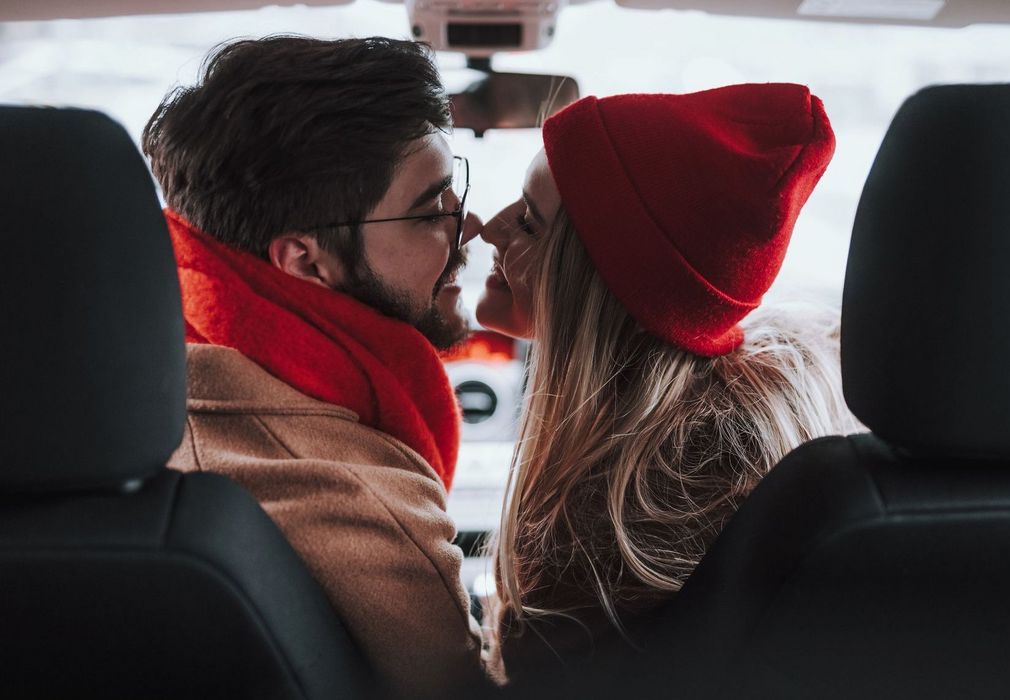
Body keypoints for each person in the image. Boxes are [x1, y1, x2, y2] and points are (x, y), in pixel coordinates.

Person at [474, 83, 862, 681]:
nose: (489, 231)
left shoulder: (625, 517)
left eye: (528, 222)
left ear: (597, 276)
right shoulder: (716, 436)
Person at [142, 36, 486, 698]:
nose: (464, 225)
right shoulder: (361, 502)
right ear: (306, 261)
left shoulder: (156, 391)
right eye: (428, 211)